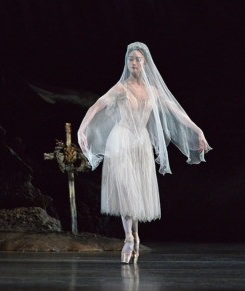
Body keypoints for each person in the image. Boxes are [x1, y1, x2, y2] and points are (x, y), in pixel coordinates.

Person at [78, 42, 212, 264]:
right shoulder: (120, 88)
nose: (133, 63)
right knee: (125, 187)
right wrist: (82, 129)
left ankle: (136, 235)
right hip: (121, 140)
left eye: (137, 59)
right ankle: (129, 237)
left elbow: (176, 112)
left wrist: (198, 130)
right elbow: (95, 106)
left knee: (136, 192)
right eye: (130, 59)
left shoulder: (154, 91)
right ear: (126, 62)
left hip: (141, 142)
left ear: (145, 62)